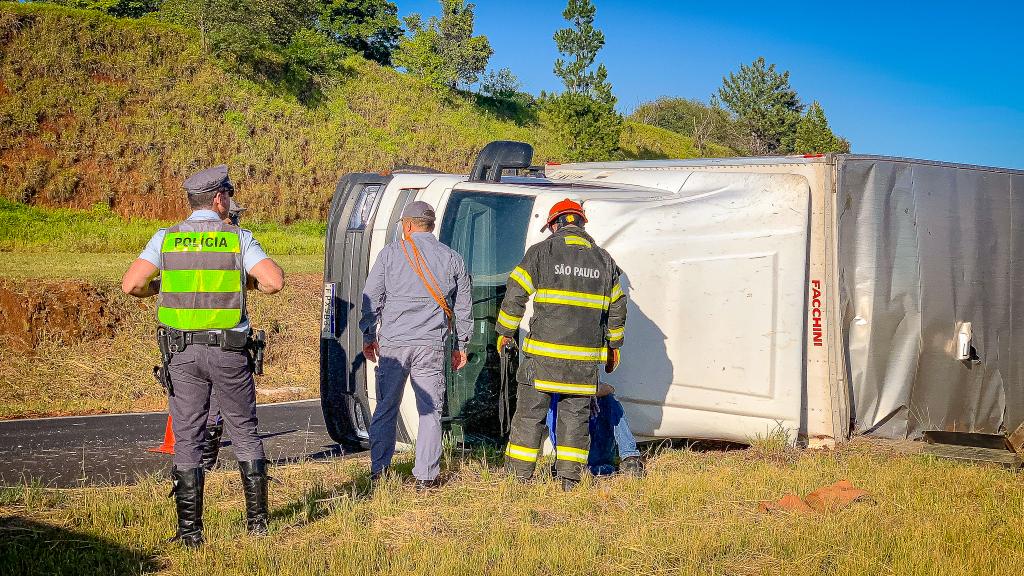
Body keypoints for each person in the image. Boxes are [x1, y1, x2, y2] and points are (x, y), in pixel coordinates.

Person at [121, 165, 284, 547]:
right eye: (228, 194)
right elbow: (274, 282)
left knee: (188, 438)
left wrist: (162, 286)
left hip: (181, 354)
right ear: (218, 199)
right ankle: (257, 526)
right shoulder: (238, 238)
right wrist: (244, 282)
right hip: (229, 353)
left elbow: (132, 284)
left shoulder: (166, 239)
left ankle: (190, 533)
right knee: (244, 431)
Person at [497, 198, 627, 491]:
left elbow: (516, 292)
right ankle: (568, 480)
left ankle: (519, 478)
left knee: (530, 415)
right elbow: (618, 306)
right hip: (583, 362)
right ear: (581, 224)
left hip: (543, 357)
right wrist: (613, 345)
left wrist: (505, 331)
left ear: (554, 224)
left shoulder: (542, 252)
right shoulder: (604, 260)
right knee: (575, 418)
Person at [359, 200, 472, 491]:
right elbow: (463, 309)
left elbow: (372, 298)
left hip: (394, 345)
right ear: (430, 226)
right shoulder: (453, 258)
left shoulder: (390, 254)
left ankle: (379, 472)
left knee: (386, 407)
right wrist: (462, 344)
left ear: (407, 226)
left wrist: (368, 335)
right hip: (431, 345)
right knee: (430, 410)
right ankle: (426, 477)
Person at [201, 198, 249, 471]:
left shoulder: (198, 242)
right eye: (234, 217)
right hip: (223, 336)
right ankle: (207, 463)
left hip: (196, 335)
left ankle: (203, 464)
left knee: (206, 406)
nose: (236, 222)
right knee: (222, 408)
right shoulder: (234, 243)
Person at [547, 383, 642, 477]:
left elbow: (609, 389)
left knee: (609, 399)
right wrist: (591, 392)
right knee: (609, 399)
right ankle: (628, 458)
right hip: (575, 458)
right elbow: (608, 388)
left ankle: (630, 459)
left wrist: (591, 393)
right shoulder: (555, 395)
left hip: (590, 453)